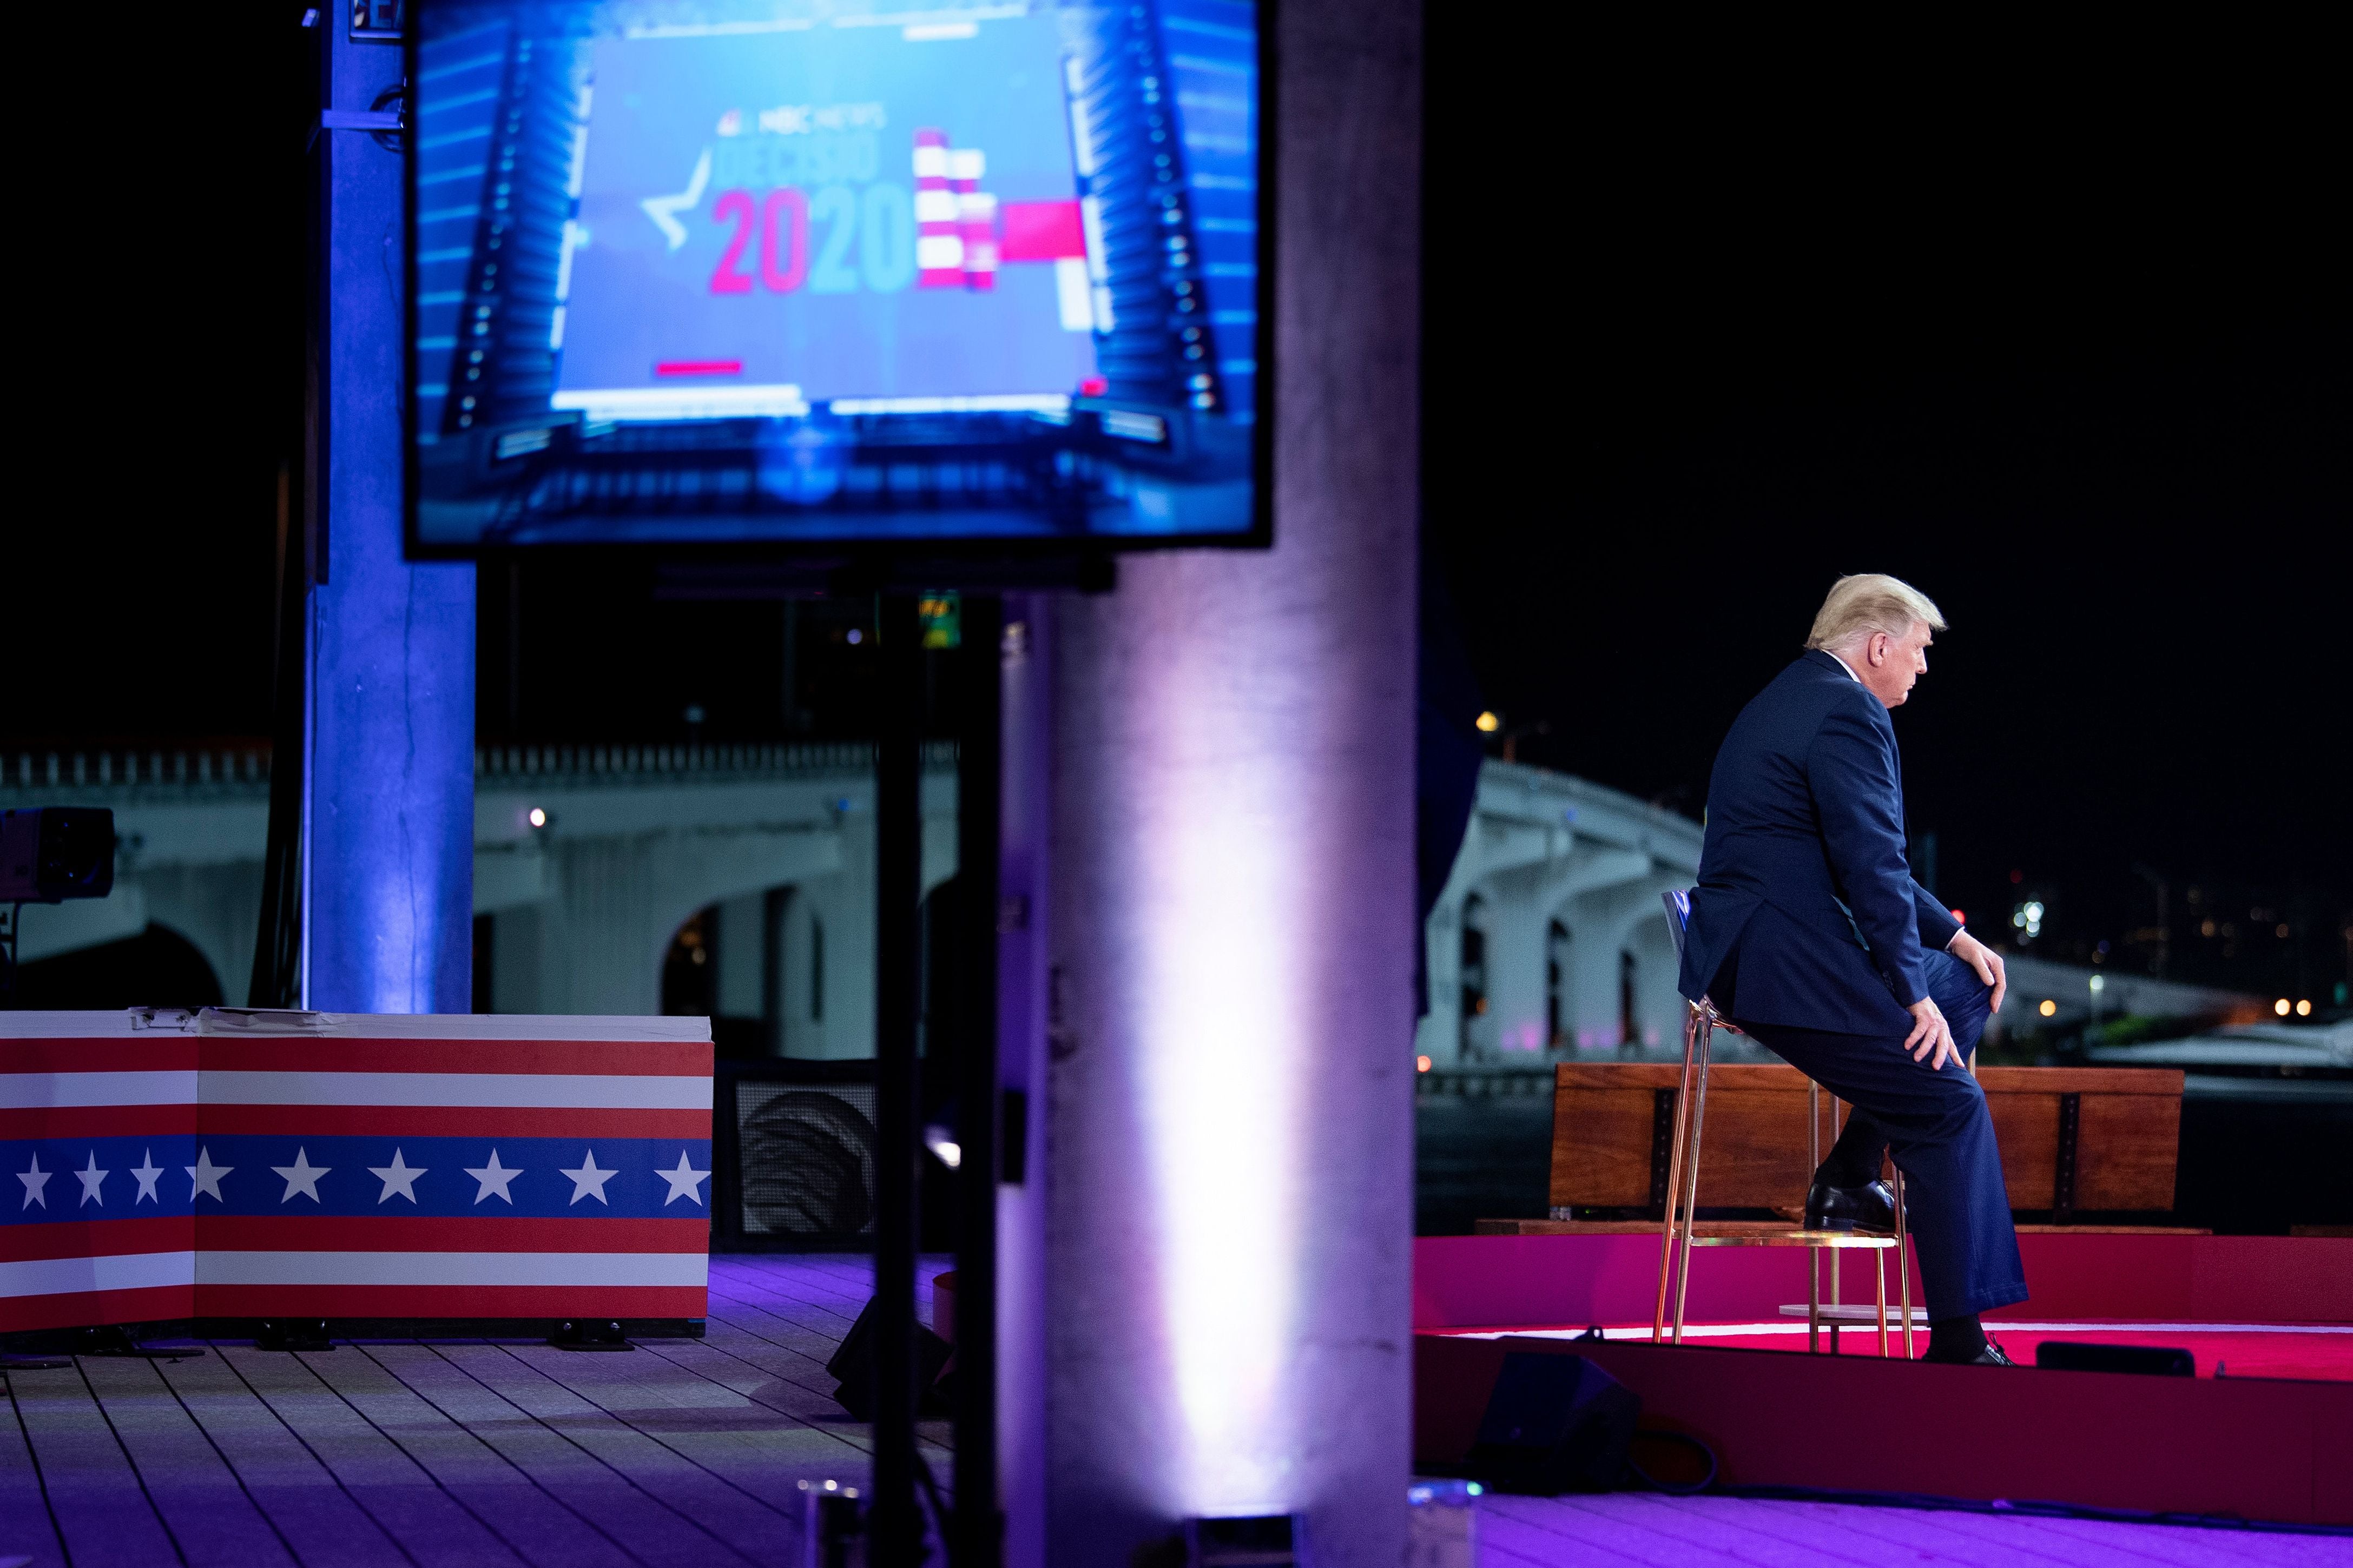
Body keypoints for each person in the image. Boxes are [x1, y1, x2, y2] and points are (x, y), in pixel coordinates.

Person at [1677, 573, 2026, 1365]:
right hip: (1781, 964)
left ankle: (1850, 1167)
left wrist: (1951, 940)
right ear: (1878, 645)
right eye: (1919, 649)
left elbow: (1849, 854)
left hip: (1762, 949)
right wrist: (1910, 993)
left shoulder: (1788, 696)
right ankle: (1960, 1344)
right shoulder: (1849, 712)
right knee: (1948, 1108)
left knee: (1968, 984)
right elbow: (1869, 865)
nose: (1922, 667)